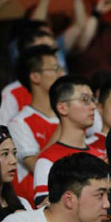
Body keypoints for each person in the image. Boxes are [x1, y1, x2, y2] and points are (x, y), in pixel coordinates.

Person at [33, 76, 104, 205]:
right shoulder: (47, 160)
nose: (93, 106)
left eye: (93, 99)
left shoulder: (100, 157)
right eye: (85, 100)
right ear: (62, 108)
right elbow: (44, 208)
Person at [8, 45, 65, 203]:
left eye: (60, 68)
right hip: (36, 205)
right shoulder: (19, 123)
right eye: (54, 69)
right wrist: (66, 123)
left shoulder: (71, 115)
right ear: (35, 76)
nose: (61, 73)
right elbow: (35, 165)